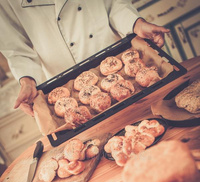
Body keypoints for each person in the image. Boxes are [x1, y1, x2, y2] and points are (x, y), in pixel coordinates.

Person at [0, 0, 169, 116]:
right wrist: (27, 81)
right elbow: (15, 48)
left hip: (113, 52)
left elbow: (113, 3)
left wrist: (135, 23)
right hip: (61, 79)